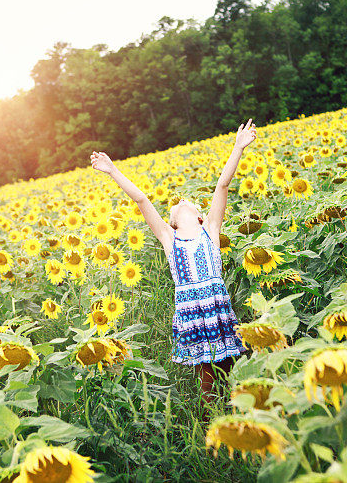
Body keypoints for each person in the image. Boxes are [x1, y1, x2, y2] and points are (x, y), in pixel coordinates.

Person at [90, 119, 257, 416]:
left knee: (232, 366)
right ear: (173, 223)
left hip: (216, 306)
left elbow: (223, 184)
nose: (181, 202)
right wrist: (113, 170)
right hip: (192, 311)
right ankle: (212, 420)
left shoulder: (212, 231)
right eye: (175, 208)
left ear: (201, 216)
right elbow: (141, 200)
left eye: (188, 203)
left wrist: (237, 148)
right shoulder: (170, 239)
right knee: (207, 374)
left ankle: (241, 413)